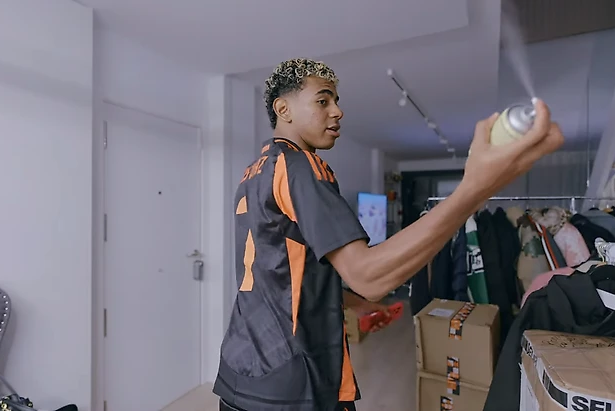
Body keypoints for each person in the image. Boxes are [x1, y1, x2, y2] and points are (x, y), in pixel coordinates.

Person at [213, 58, 563, 411]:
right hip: (292, 384)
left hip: (241, 373)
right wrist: (473, 190)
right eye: (322, 100)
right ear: (283, 109)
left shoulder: (254, 172)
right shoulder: (302, 166)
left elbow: (281, 276)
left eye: (336, 101)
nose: (337, 111)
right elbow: (368, 277)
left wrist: (358, 305)